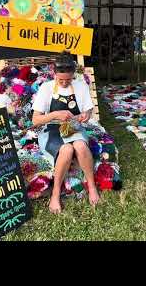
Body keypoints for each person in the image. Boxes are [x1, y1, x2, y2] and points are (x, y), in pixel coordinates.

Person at [32, 52, 100, 213]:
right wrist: (55, 114)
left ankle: (91, 185)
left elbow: (88, 110)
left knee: (81, 146)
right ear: (54, 74)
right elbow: (35, 120)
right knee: (67, 149)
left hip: (73, 127)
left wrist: (86, 115)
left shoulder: (81, 86)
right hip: (52, 130)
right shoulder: (46, 88)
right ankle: (55, 193)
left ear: (73, 75)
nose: (64, 83)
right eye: (60, 79)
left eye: (68, 80)